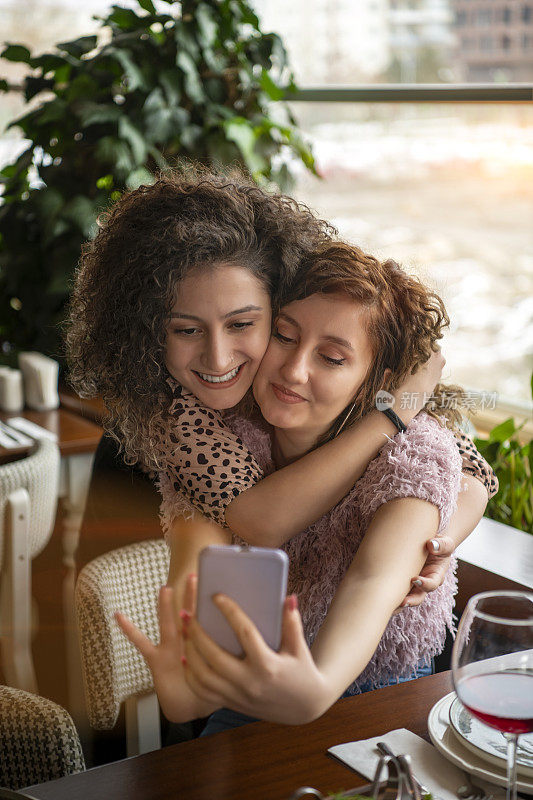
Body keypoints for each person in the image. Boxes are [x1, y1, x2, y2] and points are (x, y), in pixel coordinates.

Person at [115, 241, 498, 732]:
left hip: (380, 703)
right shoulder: (221, 444)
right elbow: (197, 582)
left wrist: (315, 686)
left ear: (376, 382)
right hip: (253, 699)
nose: (295, 370)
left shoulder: (413, 455)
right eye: (284, 336)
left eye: (332, 358)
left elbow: (374, 579)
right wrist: (189, 683)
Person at [67, 166, 481, 608]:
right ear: (146, 333)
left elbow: (470, 471)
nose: (219, 359)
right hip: (131, 598)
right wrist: (390, 415)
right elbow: (261, 521)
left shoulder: (300, 375)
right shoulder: (172, 409)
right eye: (186, 331)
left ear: (279, 304)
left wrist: (434, 543)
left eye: (242, 324)